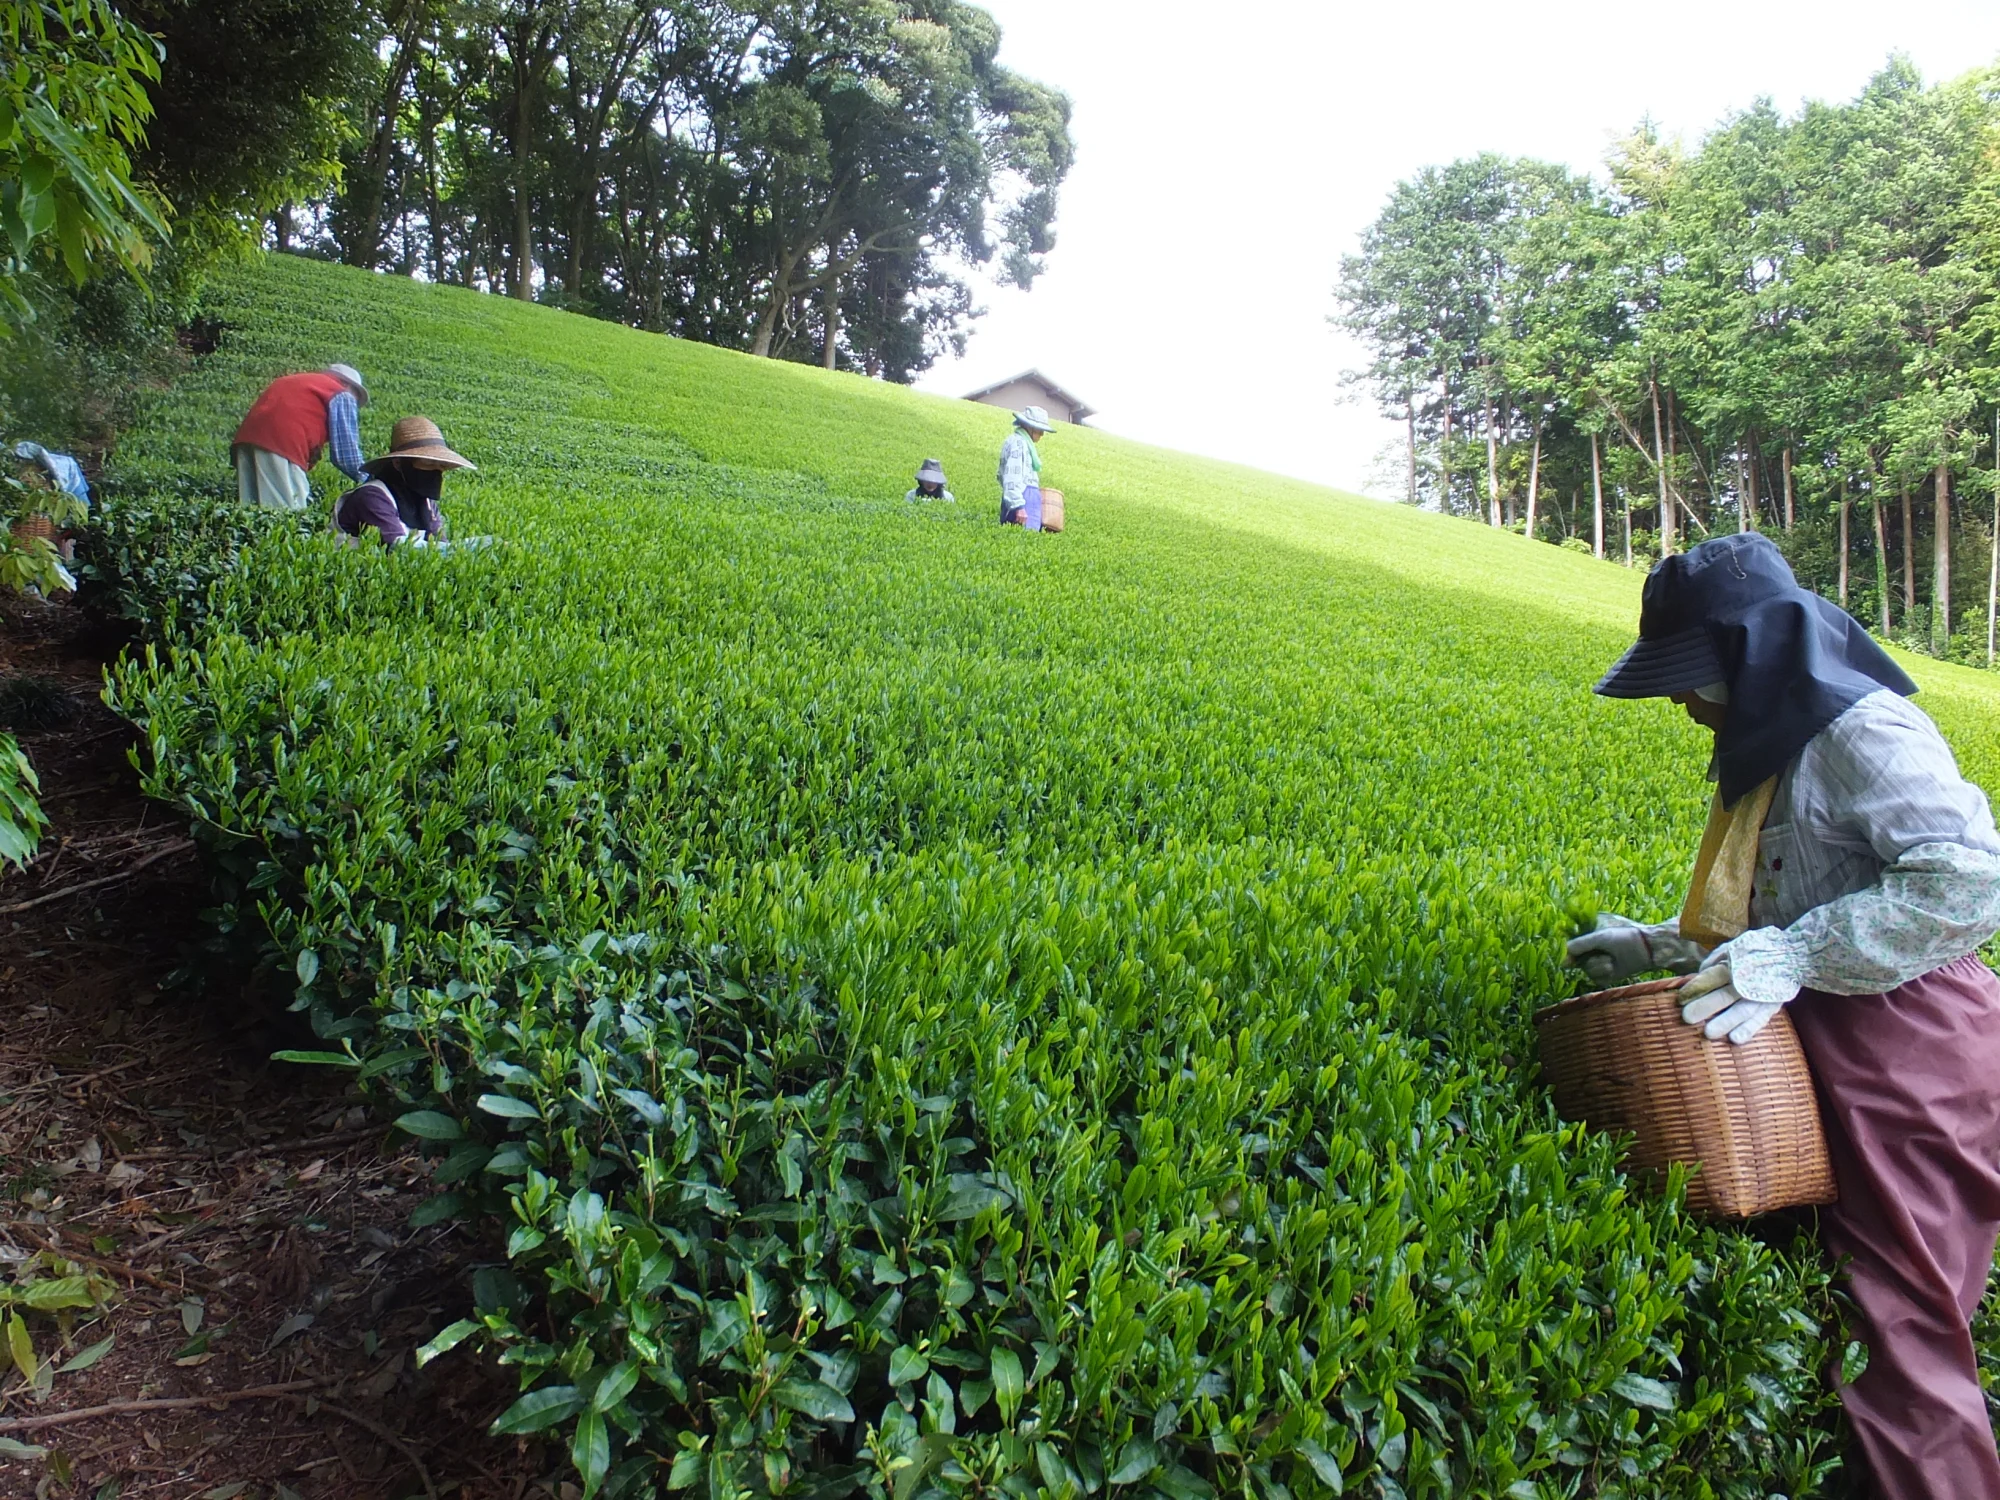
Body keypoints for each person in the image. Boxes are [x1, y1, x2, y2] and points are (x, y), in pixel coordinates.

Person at [1567, 533, 2000, 1500]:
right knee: (1839, 1311)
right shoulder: (1775, 740)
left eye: (1689, 676)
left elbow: (1970, 882)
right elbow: (1785, 899)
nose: (1680, 702)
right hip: (1829, 1036)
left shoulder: (1860, 729)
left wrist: (1796, 955)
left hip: (1912, 1045)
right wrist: (1661, 944)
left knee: (1901, 1339)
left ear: (1754, 651)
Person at [232, 363, 369, 509]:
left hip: (246, 439)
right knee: (288, 511)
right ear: (346, 384)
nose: (354, 403)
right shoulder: (341, 393)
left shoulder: (301, 382)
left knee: (252, 508)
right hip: (282, 443)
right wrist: (370, 480)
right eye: (356, 397)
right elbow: (346, 455)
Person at [332, 416, 473, 548]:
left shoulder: (425, 500)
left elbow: (440, 544)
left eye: (442, 466)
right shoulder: (372, 495)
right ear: (398, 463)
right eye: (429, 464)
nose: (436, 472)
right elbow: (398, 547)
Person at [997, 405, 1053, 529]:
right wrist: (1019, 506)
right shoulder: (1018, 443)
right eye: (1039, 430)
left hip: (1027, 500)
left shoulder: (1023, 444)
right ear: (1030, 427)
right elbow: (1012, 477)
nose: (1042, 434)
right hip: (1022, 501)